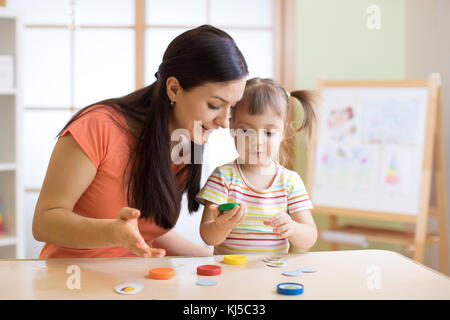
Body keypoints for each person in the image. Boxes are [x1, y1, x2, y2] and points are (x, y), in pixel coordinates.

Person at [32, 25, 248, 258]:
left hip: (134, 284)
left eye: (232, 107)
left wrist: (212, 260)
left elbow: (146, 231)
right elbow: (44, 222)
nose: (225, 122)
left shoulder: (187, 142)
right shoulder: (98, 127)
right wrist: (112, 232)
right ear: (174, 89)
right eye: (215, 106)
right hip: (71, 283)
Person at [196, 77, 318, 254]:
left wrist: (293, 228)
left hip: (274, 275)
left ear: (283, 132)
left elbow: (310, 238)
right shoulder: (223, 177)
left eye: (268, 132)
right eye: (246, 131)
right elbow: (207, 236)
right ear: (232, 129)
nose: (257, 141)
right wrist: (221, 226)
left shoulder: (290, 181)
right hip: (231, 275)